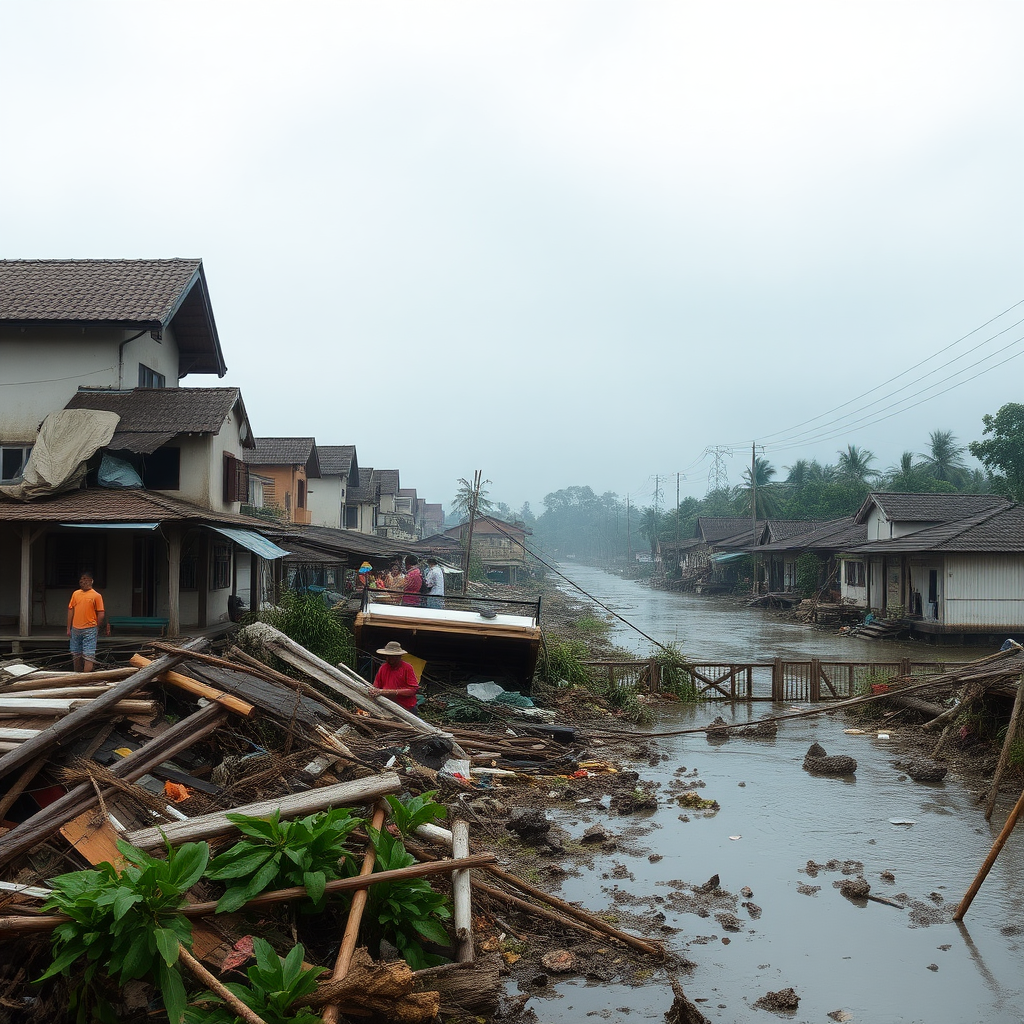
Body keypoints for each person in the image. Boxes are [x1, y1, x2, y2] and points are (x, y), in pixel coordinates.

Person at [67, 572, 110, 673]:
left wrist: (97, 626)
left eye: (86, 579)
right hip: (76, 628)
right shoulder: (75, 594)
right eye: (82, 579)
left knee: (89, 654)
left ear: (91, 581)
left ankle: (86, 677)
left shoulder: (96, 595)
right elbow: (70, 610)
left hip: (90, 628)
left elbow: (101, 613)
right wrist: (68, 627)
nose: (83, 581)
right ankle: (77, 674)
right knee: (75, 653)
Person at [371, 640, 420, 710]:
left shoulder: (407, 668)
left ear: (399, 656)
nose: (388, 659)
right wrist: (374, 691)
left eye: (391, 656)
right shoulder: (383, 668)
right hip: (387, 705)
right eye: (387, 656)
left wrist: (387, 692)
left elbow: (413, 690)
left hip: (406, 707)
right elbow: (376, 686)